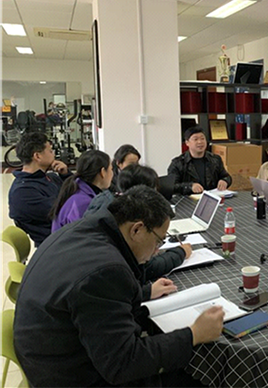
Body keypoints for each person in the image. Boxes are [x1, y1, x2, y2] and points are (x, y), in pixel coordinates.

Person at [14, 186, 224, 388]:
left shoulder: (86, 229)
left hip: (50, 356)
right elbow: (122, 364)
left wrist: (143, 293)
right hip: (70, 377)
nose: (156, 251)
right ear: (137, 229)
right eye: (159, 241)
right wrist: (193, 333)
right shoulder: (106, 271)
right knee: (201, 377)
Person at [85, 163, 193, 300]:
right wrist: (180, 253)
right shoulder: (119, 230)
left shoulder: (106, 201)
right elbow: (147, 268)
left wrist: (145, 292)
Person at [8, 132, 70, 247]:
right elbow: (65, 211)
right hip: (56, 246)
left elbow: (76, 193)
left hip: (68, 236)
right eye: (50, 151)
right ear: (37, 156)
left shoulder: (50, 177)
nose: (53, 154)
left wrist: (66, 175)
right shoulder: (23, 192)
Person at [50, 149, 113, 232]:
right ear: (103, 172)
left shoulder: (79, 192)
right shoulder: (83, 203)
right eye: (111, 169)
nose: (112, 174)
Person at [168, 125, 232, 195]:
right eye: (195, 139)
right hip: (188, 199)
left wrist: (224, 181)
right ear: (187, 143)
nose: (200, 142)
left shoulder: (215, 159)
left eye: (202, 139)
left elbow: (226, 176)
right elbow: (172, 186)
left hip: (212, 198)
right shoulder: (178, 163)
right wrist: (190, 186)